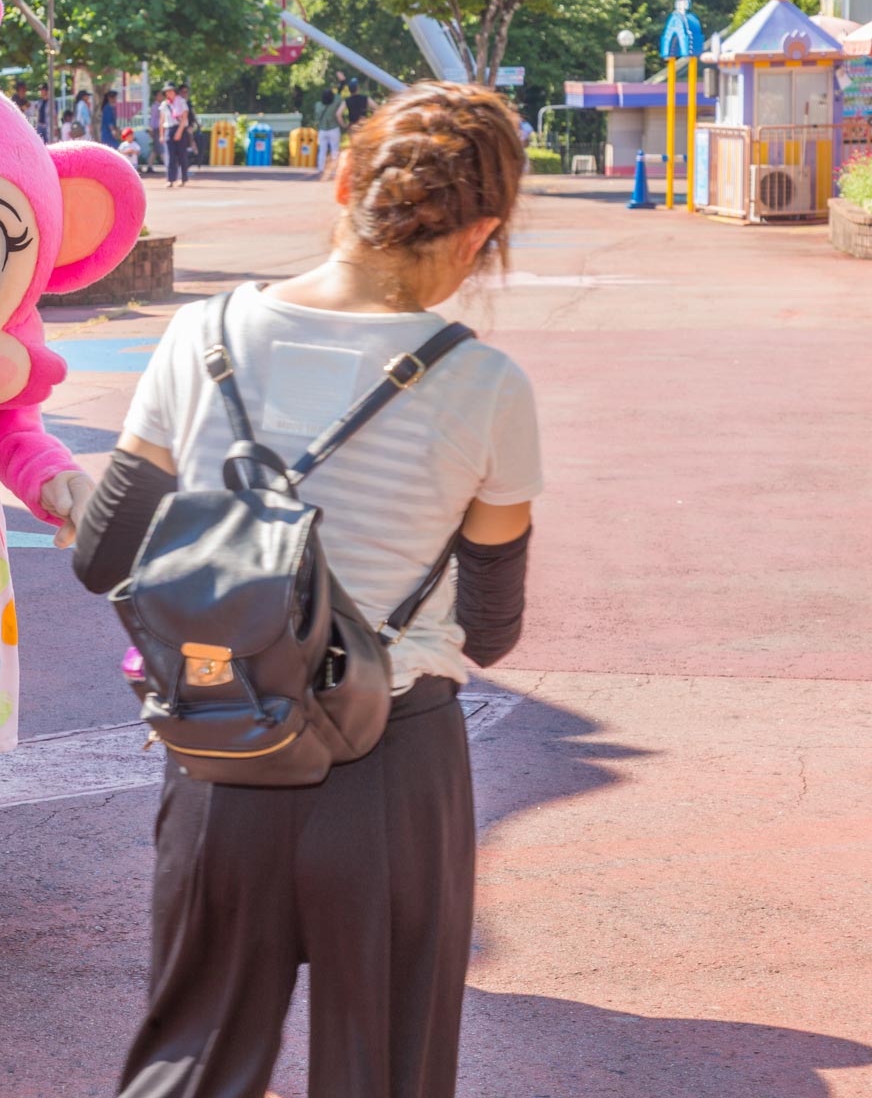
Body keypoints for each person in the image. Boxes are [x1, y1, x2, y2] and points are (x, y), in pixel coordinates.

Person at [74, 81, 540, 1097]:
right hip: (393, 753)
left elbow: (106, 555)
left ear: (341, 179)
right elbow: (492, 627)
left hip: (219, 744)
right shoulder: (487, 385)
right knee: (386, 1068)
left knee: (191, 1060)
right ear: (481, 233)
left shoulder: (202, 336)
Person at [158, 85, 189, 188]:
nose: (169, 94)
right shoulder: (164, 104)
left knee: (182, 155)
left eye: (171, 91)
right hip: (169, 129)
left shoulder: (181, 102)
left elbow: (184, 118)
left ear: (175, 92)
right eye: (167, 92)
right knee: (170, 156)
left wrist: (179, 132)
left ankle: (183, 178)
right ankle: (170, 179)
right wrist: (161, 134)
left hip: (180, 128)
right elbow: (162, 120)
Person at [317, 85, 345, 179]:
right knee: (335, 150)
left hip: (322, 129)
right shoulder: (335, 103)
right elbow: (338, 97)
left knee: (322, 151)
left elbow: (316, 117)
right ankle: (334, 171)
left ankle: (321, 169)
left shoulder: (318, 105)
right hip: (334, 129)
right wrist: (342, 83)